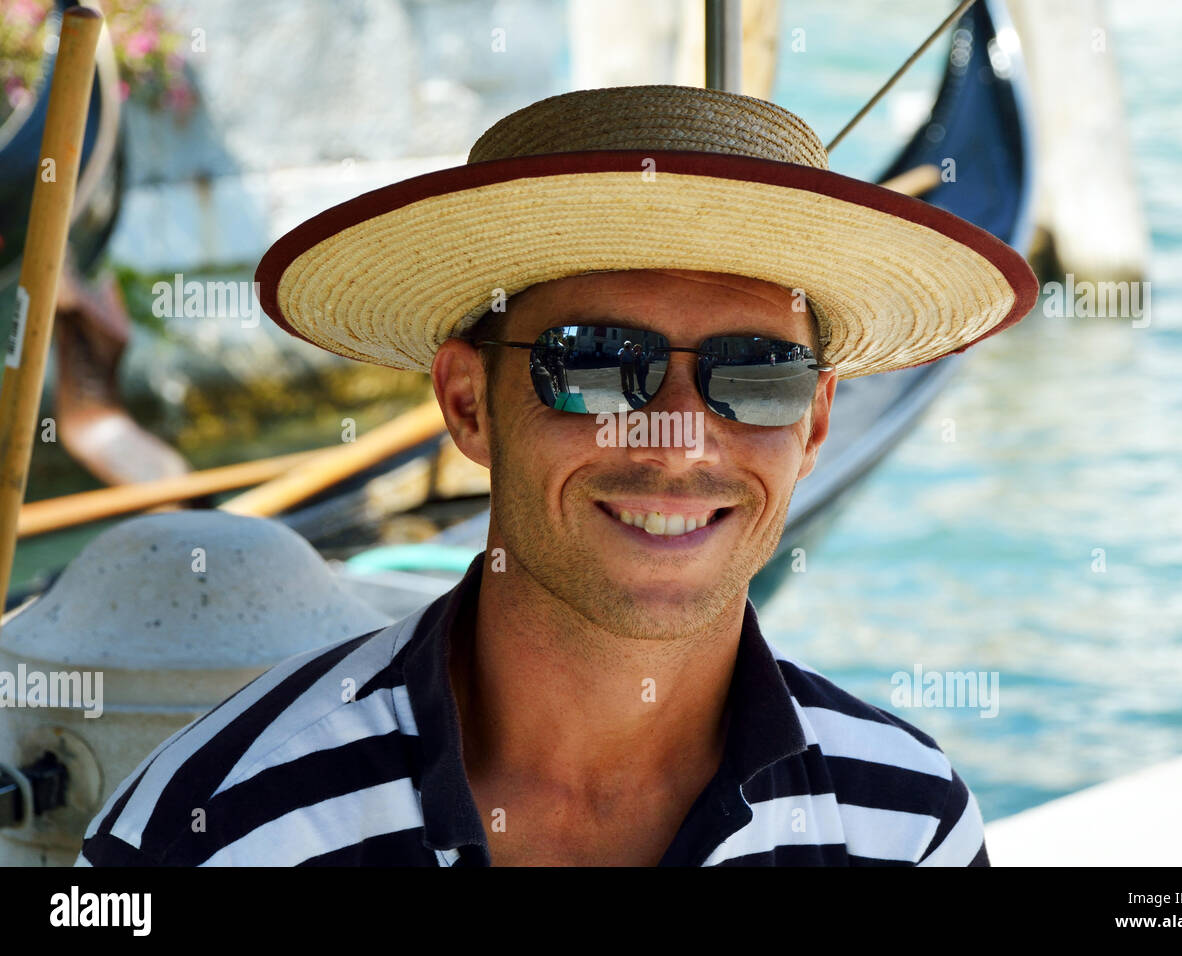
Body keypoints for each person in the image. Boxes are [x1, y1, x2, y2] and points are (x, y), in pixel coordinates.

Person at [77, 85, 1036, 867]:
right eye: (596, 364)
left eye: (756, 375)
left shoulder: (908, 827)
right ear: (468, 404)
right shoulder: (214, 835)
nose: (680, 444)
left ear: (816, 419)